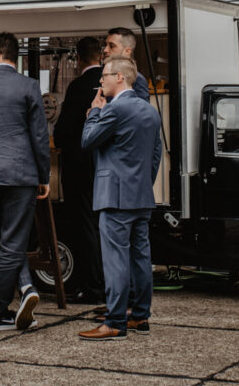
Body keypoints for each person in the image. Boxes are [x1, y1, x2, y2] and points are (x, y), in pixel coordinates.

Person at [0, 32, 51, 332]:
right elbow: (39, 137)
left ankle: (27, 287)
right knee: (13, 241)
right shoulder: (29, 86)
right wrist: (44, 176)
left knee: (7, 238)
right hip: (20, 171)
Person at [77, 56, 162, 341]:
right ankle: (140, 316)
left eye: (105, 76)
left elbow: (88, 142)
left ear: (120, 78)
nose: (100, 81)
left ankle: (114, 321)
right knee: (140, 257)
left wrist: (94, 112)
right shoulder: (150, 111)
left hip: (114, 196)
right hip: (141, 196)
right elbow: (155, 155)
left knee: (115, 260)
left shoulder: (115, 109)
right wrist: (143, 184)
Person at [54, 36, 105, 304]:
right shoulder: (110, 84)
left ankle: (93, 286)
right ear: (101, 56)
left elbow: (63, 131)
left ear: (78, 56)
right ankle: (109, 284)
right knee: (103, 227)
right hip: (105, 167)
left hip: (80, 167)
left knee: (85, 227)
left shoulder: (78, 86)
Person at [103, 27, 151, 101]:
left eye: (112, 46)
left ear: (127, 51)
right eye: (106, 45)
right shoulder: (110, 74)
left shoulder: (137, 79)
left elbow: (140, 110)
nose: (105, 50)